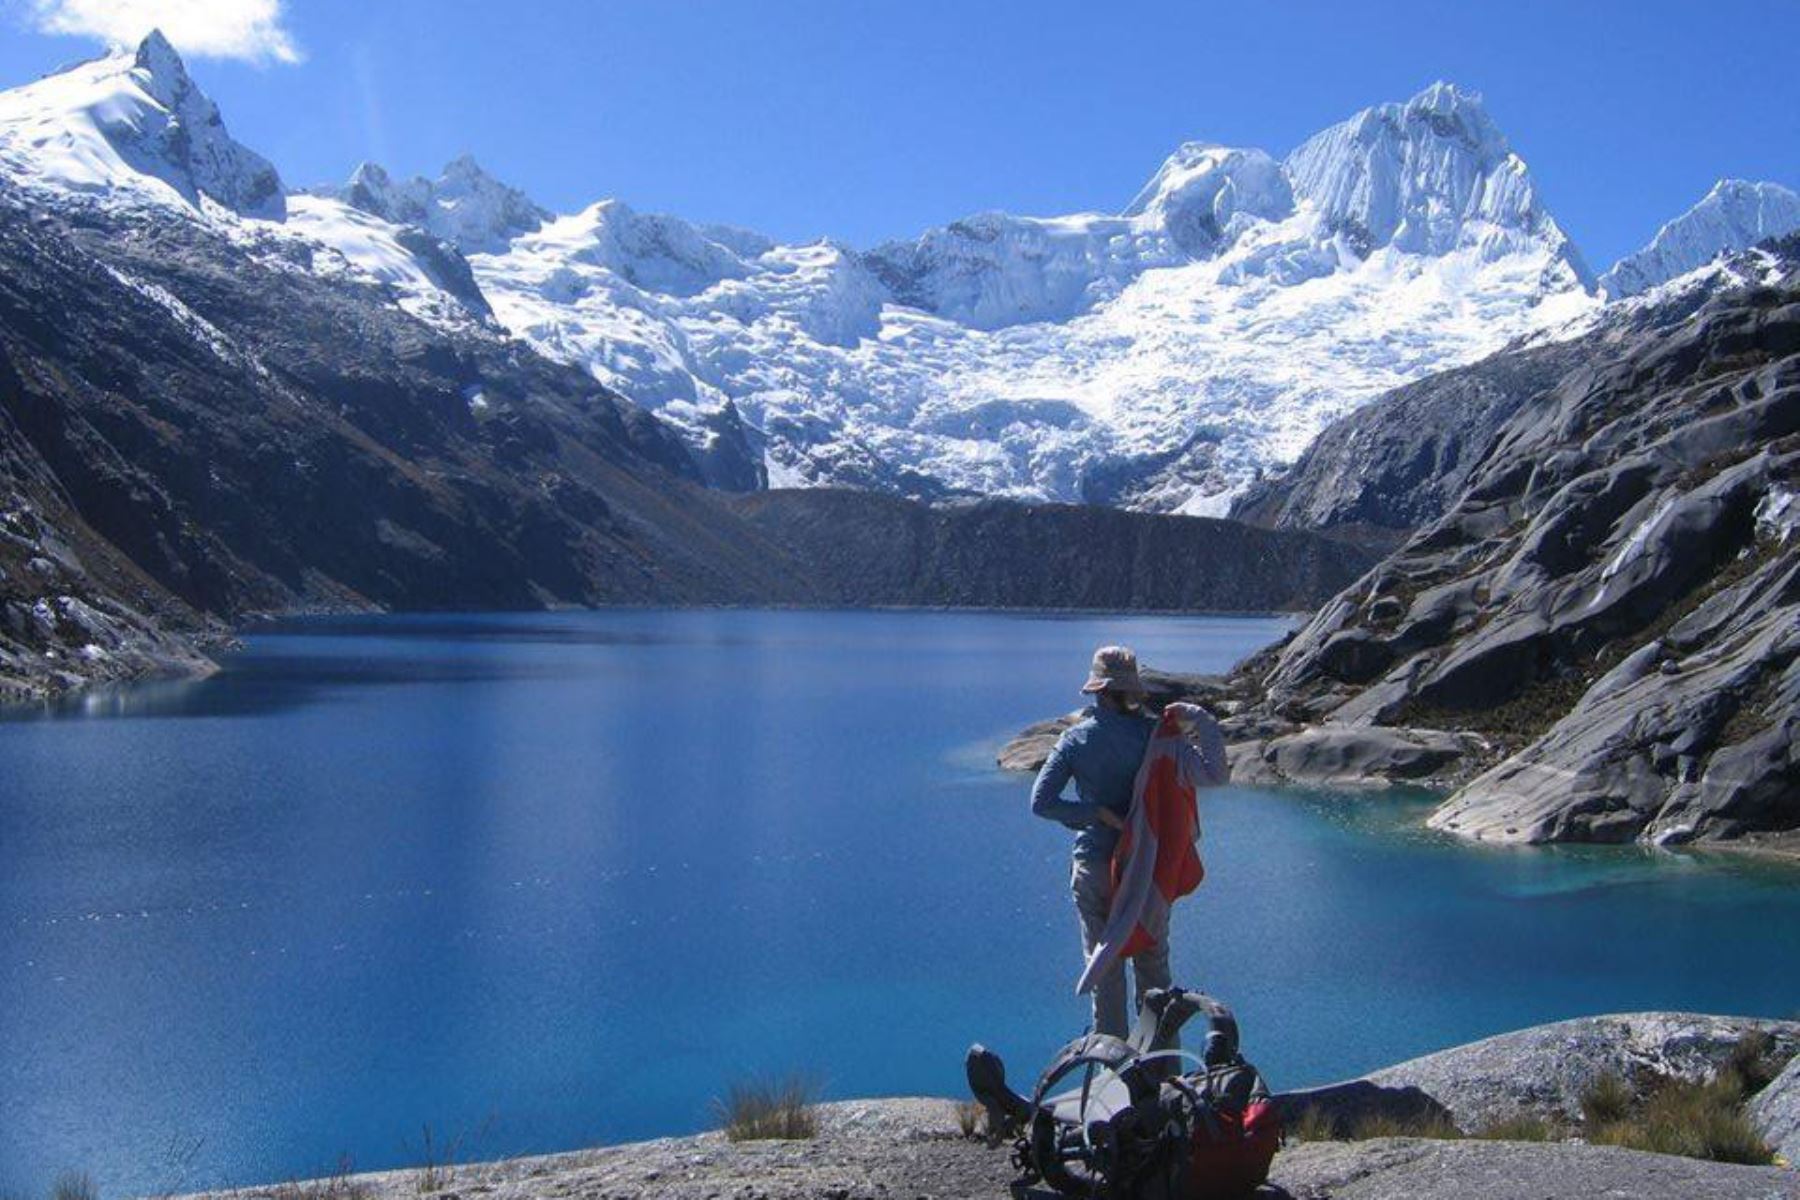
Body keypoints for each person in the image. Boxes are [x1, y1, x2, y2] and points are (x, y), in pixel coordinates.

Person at [1030, 644, 1170, 1038]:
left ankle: (1115, 1078)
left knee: (1103, 972)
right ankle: (1163, 1074)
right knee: (1154, 971)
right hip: (1148, 869)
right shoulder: (1155, 735)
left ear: (1098, 690)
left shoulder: (1076, 740)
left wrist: (1094, 814)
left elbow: (1041, 803)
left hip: (1096, 866)